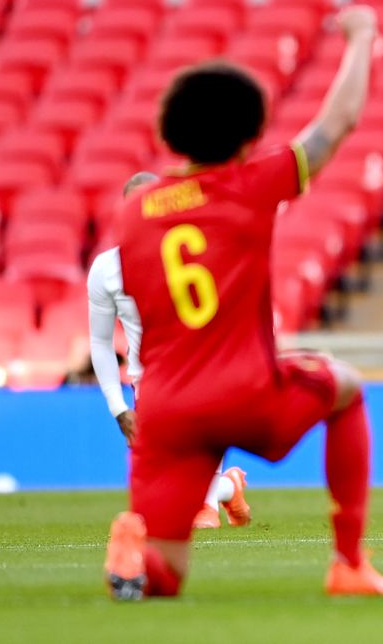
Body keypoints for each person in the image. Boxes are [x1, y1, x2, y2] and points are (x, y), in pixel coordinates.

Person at [102, 5, 383, 600]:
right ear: (250, 134)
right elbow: (337, 122)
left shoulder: (133, 211)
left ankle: (137, 556)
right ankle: (347, 564)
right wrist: (363, 36)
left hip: (164, 409)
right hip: (244, 390)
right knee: (344, 386)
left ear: (169, 132)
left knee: (166, 577)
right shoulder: (253, 184)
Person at [88, 171, 250, 531]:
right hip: (151, 379)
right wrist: (118, 408)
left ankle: (206, 508)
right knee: (161, 490)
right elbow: (99, 342)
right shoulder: (107, 269)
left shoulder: (194, 253)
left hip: (203, 366)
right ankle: (226, 488)